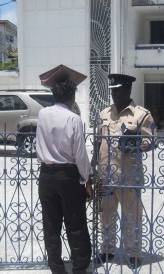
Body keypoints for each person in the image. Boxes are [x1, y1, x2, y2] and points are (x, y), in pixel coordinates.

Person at [92, 73, 155, 269]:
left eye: (118, 90)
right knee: (104, 214)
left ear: (128, 90)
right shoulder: (103, 113)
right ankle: (107, 249)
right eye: (112, 90)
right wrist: (93, 167)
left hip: (129, 176)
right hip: (104, 176)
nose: (115, 94)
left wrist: (135, 145)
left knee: (132, 216)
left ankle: (133, 252)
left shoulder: (142, 114)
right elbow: (97, 141)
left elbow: (152, 140)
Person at [36, 65, 93, 274]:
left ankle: (57, 269)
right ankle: (79, 268)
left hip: (46, 175)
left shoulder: (42, 114)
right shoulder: (73, 119)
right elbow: (80, 154)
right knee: (75, 223)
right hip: (68, 176)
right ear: (72, 96)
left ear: (54, 94)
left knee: (51, 225)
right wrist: (87, 179)